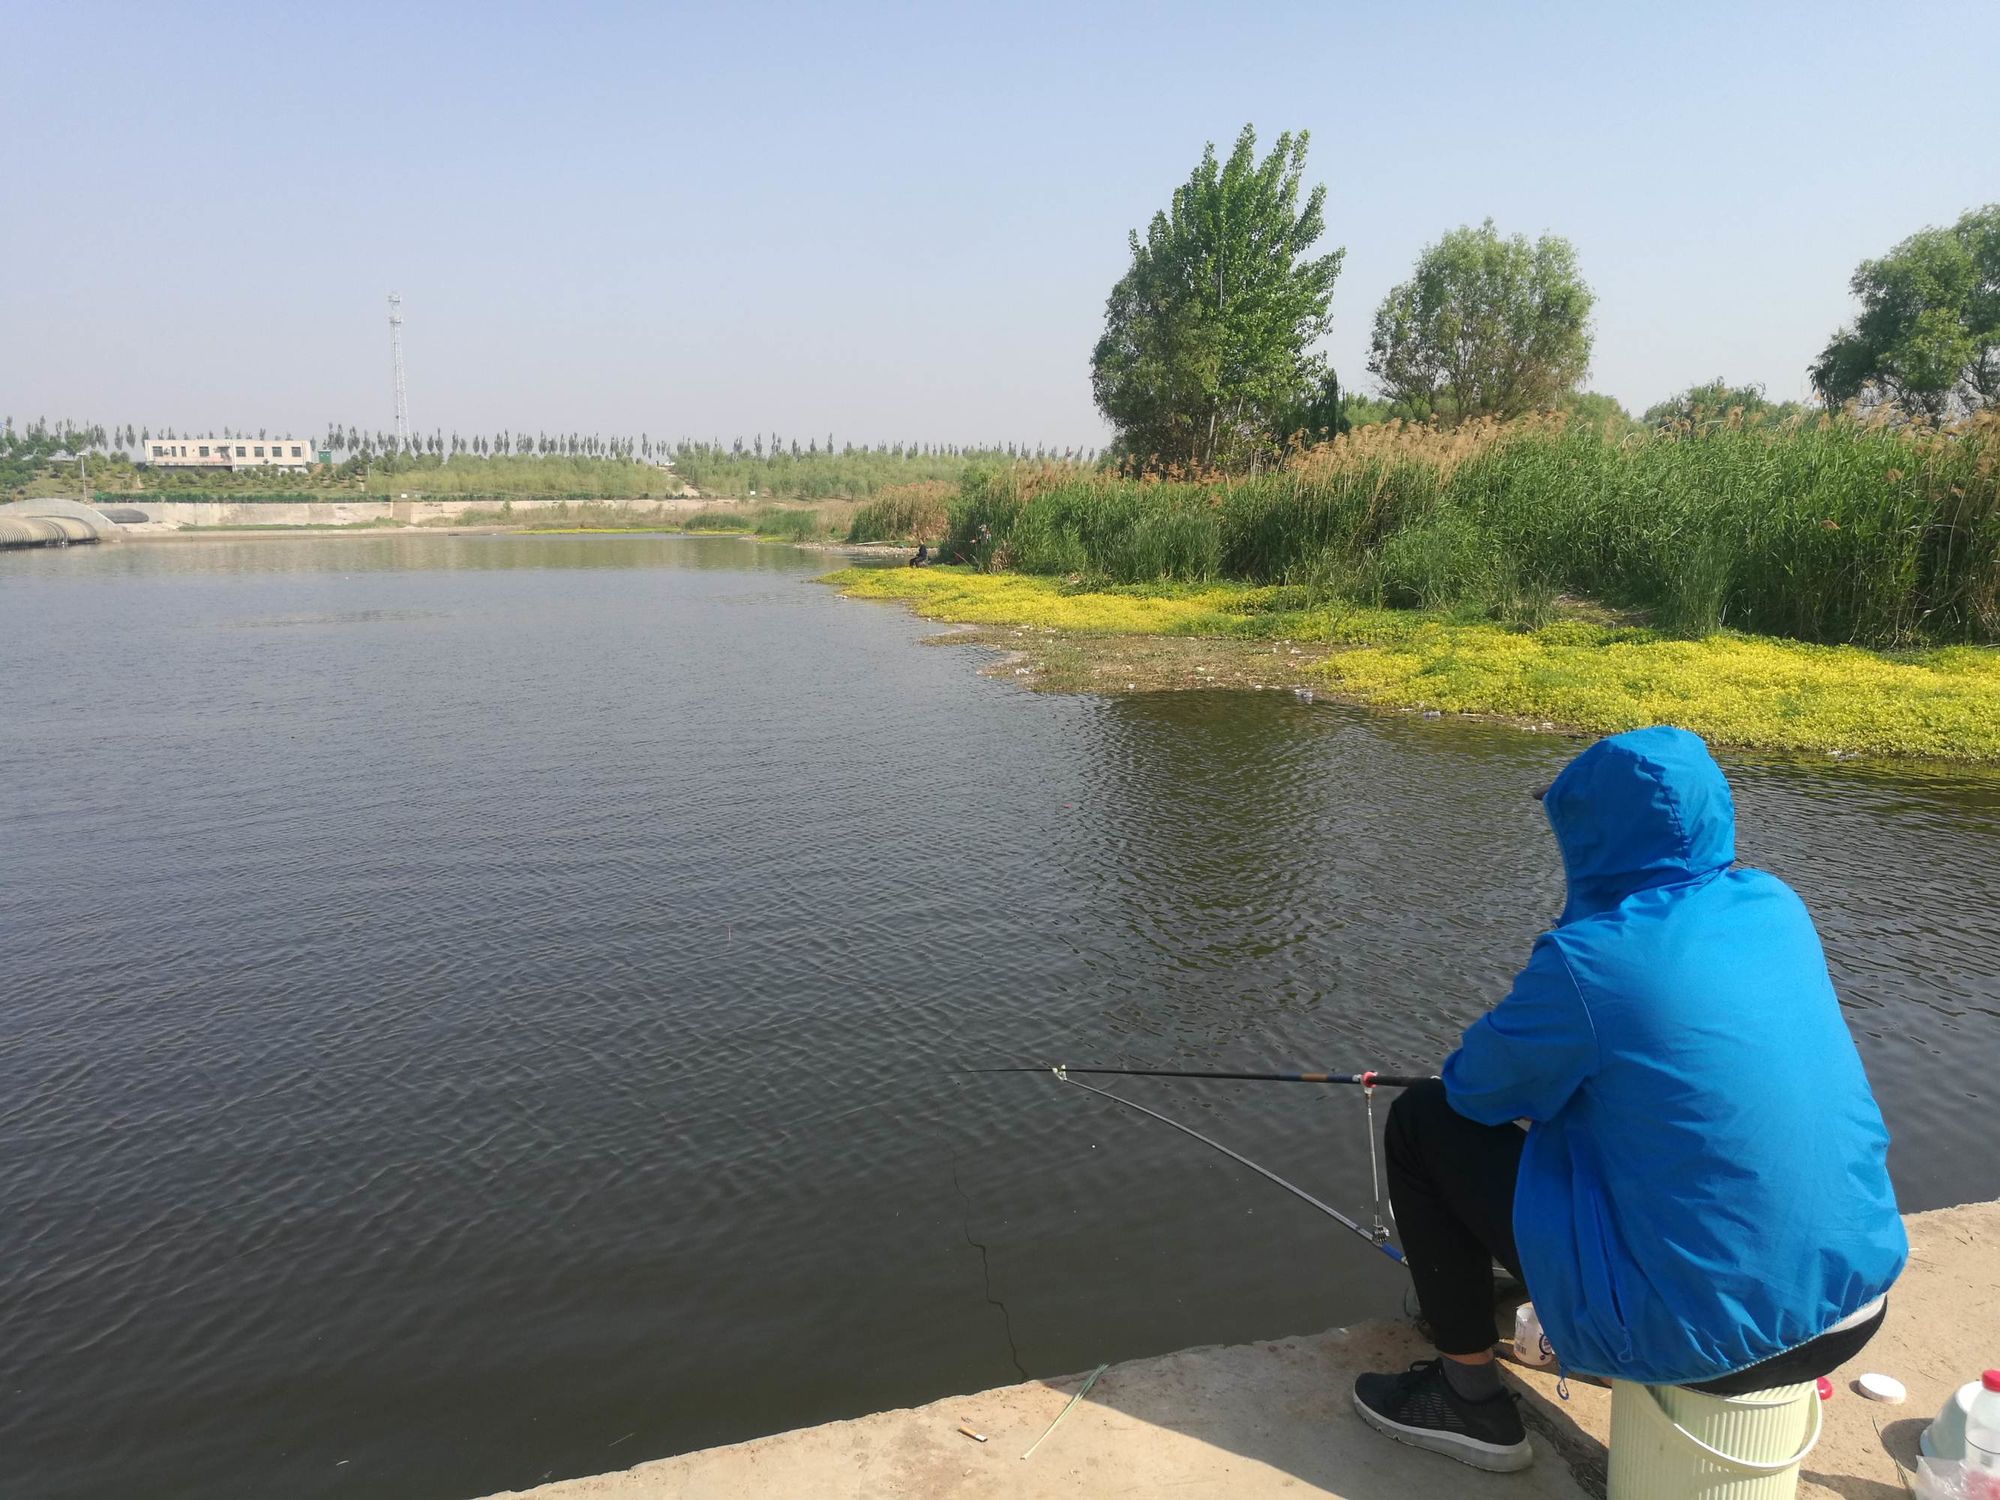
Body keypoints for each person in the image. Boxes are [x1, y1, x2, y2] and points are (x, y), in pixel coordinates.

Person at [1351, 725, 1906, 1473]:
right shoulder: (1775, 904)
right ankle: (1532, 1291)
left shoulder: (1589, 960)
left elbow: (1477, 1090)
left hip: (1716, 1347)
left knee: (1424, 1118)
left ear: (1591, 838)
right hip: (1857, 1300)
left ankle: (1468, 1400)